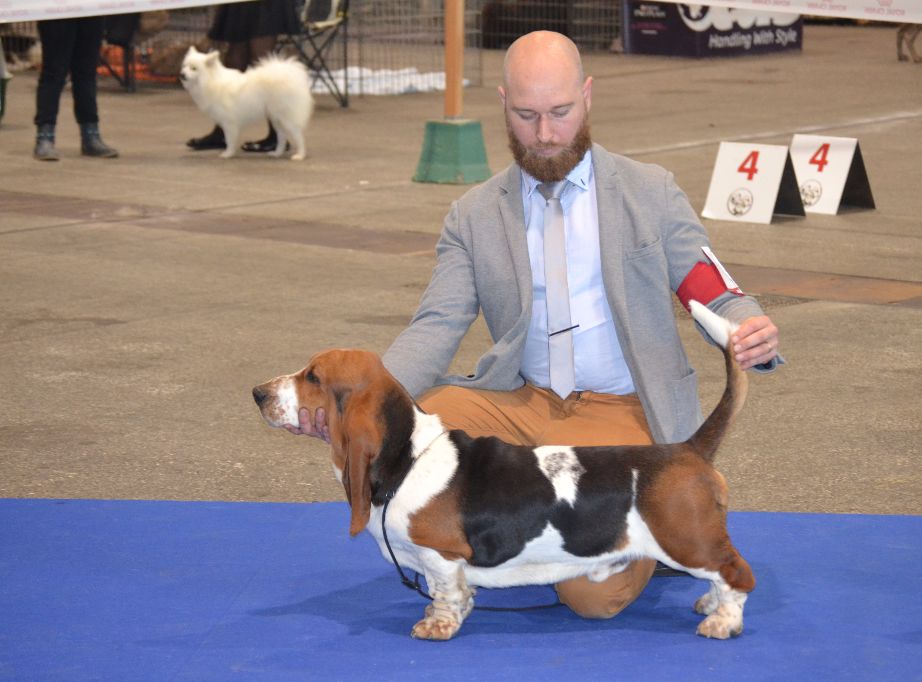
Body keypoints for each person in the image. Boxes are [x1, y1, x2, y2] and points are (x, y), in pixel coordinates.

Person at [290, 30, 781, 619]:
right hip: (519, 402)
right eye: (526, 116)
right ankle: (466, 550)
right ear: (502, 104)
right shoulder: (473, 215)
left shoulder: (650, 192)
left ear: (588, 97)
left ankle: (663, 528)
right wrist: (359, 403)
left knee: (594, 598)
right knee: (394, 433)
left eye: (560, 113)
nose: (545, 134)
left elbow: (709, 283)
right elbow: (436, 324)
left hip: (622, 411)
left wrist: (746, 324)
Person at [186, 0, 300, 152]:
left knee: (262, 64)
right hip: (241, 5)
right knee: (234, 60)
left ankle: (277, 136)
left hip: (265, 5)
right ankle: (222, 132)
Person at [33, 16, 118, 161]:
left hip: (91, 10)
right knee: (53, 72)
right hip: (57, 12)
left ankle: (91, 136)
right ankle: (45, 137)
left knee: (86, 73)